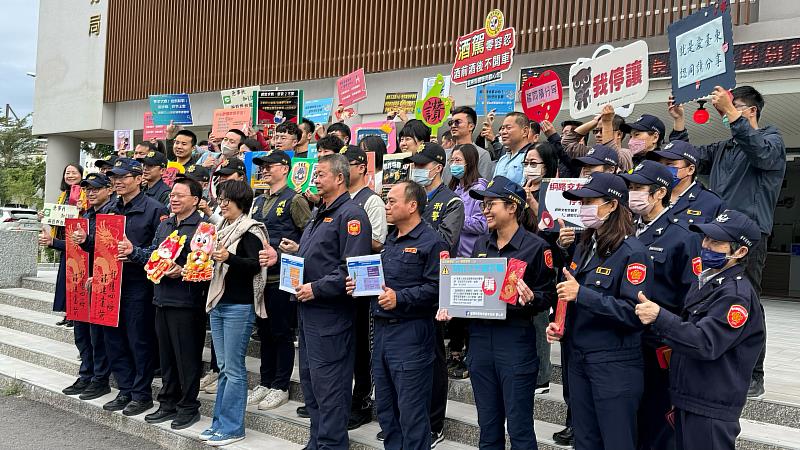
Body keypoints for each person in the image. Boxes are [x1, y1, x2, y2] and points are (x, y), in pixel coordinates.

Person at [668, 86, 785, 398]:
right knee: (709, 295)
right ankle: (713, 353)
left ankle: (753, 373)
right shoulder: (725, 146)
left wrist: (731, 115)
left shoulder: (772, 141)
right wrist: (680, 123)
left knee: (747, 300)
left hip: (749, 236)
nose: (724, 116)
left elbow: (759, 152)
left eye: (731, 109)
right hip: (716, 234)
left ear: (751, 111)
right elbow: (687, 159)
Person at [441, 176, 556, 449]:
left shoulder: (536, 247)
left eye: (492, 204)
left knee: (519, 427)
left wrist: (530, 299)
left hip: (514, 341)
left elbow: (548, 295)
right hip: (480, 341)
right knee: (488, 426)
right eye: (484, 204)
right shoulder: (481, 245)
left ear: (512, 207)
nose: (485, 210)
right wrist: (451, 307)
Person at [635, 209, 764, 450]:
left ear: (740, 251)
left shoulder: (735, 296)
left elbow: (705, 342)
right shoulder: (708, 281)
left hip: (710, 405)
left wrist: (660, 317)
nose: (705, 245)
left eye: (716, 242)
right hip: (689, 396)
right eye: (705, 238)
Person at [546, 172, 652, 450]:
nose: (582, 208)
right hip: (579, 357)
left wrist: (584, 295)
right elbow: (570, 293)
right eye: (580, 203)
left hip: (614, 363)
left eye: (589, 201)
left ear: (612, 204)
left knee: (617, 441)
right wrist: (559, 324)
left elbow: (634, 314)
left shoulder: (632, 252)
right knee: (585, 440)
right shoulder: (584, 246)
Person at [345, 180, 446, 449]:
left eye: (392, 201)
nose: (386, 206)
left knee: (412, 414)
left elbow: (438, 288)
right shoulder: (391, 239)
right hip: (382, 332)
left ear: (412, 206)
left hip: (411, 333)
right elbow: (383, 281)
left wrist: (400, 298)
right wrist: (361, 285)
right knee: (388, 412)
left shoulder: (431, 241)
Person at [620, 161, 702, 450]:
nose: (632, 194)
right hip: (623, 339)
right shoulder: (624, 230)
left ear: (659, 193)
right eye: (630, 188)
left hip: (657, 343)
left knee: (656, 423)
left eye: (639, 188)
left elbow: (691, 297)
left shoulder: (683, 237)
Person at [294, 154, 372, 450]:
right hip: (308, 311)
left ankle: (332, 444)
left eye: (321, 174)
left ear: (339, 178)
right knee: (312, 384)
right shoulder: (321, 211)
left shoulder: (351, 215)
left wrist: (317, 288)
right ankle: (318, 441)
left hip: (331, 314)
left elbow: (351, 269)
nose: (315, 178)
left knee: (331, 387)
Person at [123, 177, 209, 430]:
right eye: (172, 194)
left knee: (186, 358)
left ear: (195, 200)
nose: (174, 198)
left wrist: (182, 271)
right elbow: (153, 255)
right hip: (160, 298)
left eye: (181, 195)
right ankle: (167, 402)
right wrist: (133, 251)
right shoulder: (166, 225)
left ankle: (188, 406)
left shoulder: (202, 228)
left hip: (187, 302)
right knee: (167, 357)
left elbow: (204, 268)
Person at [200, 179, 268, 446]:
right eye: (221, 199)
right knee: (224, 367)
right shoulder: (221, 228)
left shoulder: (250, 230)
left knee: (234, 369)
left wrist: (229, 258)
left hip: (239, 306)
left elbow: (254, 266)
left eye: (227, 200)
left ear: (241, 202)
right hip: (218, 303)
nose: (222, 204)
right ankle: (220, 423)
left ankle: (233, 427)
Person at [406, 143, 464, 446]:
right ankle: (411, 419)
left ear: (437, 167)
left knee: (433, 356)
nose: (417, 170)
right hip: (405, 284)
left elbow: (446, 242)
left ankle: (434, 422)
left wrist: (413, 225)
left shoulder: (451, 201)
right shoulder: (411, 196)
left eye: (422, 164)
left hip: (434, 284)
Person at [247, 150, 311, 411]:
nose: (264, 170)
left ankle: (280, 385)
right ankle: (265, 380)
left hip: (284, 275)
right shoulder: (258, 200)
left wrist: (292, 247)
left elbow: (310, 233)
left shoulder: (295, 199)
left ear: (285, 168)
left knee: (282, 332)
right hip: (260, 276)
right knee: (264, 332)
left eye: (269, 166)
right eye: (262, 166)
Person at [106, 158, 168, 416]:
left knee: (138, 340)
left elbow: (162, 251)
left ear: (138, 178)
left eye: (123, 177)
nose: (117, 182)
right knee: (114, 339)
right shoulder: (110, 207)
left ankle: (141, 394)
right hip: (111, 282)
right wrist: (85, 240)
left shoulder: (154, 210)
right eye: (114, 177)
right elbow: (102, 246)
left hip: (139, 285)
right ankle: (125, 389)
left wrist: (135, 252)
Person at [53, 173, 114, 400]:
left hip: (101, 281)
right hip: (79, 281)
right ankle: (86, 374)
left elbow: (107, 249)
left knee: (97, 335)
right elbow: (74, 247)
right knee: (81, 334)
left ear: (109, 189)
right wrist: (54, 242)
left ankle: (100, 379)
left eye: (96, 188)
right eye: (88, 189)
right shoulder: (86, 215)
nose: (91, 192)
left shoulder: (113, 214)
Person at [342, 146, 388, 429]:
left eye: (349, 164)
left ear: (362, 168)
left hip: (364, 280)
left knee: (362, 345)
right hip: (340, 279)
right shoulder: (339, 199)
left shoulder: (371, 201)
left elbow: (380, 241)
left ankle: (362, 400)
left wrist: (345, 238)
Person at [444, 143, 488, 380]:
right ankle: (455, 355)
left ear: (470, 162)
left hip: (470, 256)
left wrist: (457, 221)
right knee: (456, 313)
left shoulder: (479, 188)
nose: (454, 165)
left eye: (459, 160)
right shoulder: (454, 188)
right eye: (452, 160)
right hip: (453, 258)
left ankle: (469, 358)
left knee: (469, 312)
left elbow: (483, 224)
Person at [44, 163, 86, 327]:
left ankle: (76, 314)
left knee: (76, 278)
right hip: (63, 240)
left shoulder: (84, 193)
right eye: (67, 173)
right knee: (64, 279)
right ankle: (68, 313)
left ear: (81, 175)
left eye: (74, 172)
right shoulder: (63, 194)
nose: (70, 176)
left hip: (78, 240)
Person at [646, 140, 725, 227]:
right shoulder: (648, 195)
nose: (662, 168)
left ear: (690, 169)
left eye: (669, 164)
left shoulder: (711, 202)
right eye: (660, 164)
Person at [448, 106, 495, 179]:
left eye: (457, 122)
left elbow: (483, 185)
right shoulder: (446, 154)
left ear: (471, 126)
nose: (453, 126)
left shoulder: (482, 154)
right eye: (451, 122)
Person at [493, 112, 532, 185]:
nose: (503, 132)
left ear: (525, 131)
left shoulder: (530, 157)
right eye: (502, 128)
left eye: (508, 128)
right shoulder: (502, 159)